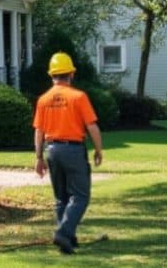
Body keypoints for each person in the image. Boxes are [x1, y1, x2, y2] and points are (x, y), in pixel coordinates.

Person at [32, 52, 103, 254]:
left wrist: (38, 157)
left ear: (51, 75)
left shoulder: (43, 99)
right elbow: (92, 127)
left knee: (61, 198)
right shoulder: (79, 97)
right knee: (80, 196)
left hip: (52, 149)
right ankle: (64, 232)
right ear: (71, 73)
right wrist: (98, 150)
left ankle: (68, 240)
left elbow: (38, 130)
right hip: (73, 149)